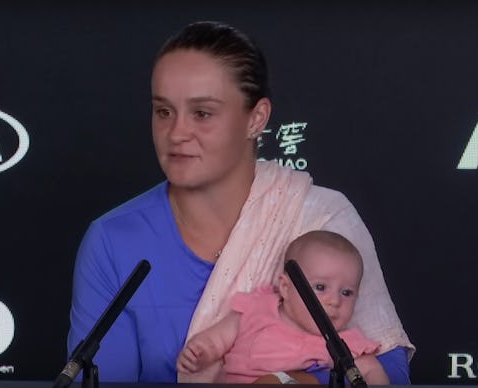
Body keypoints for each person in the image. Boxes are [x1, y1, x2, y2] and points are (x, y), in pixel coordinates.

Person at [66, 20, 414, 384]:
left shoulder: (322, 220)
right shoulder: (112, 239)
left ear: (256, 118)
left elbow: (387, 372)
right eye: (163, 111)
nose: (177, 133)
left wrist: (289, 382)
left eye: (202, 113)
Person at [177, 230, 390, 385]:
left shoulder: (342, 343)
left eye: (346, 293)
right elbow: (218, 338)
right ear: (286, 287)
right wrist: (200, 352)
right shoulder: (257, 309)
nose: (334, 301)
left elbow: (371, 371)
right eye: (320, 287)